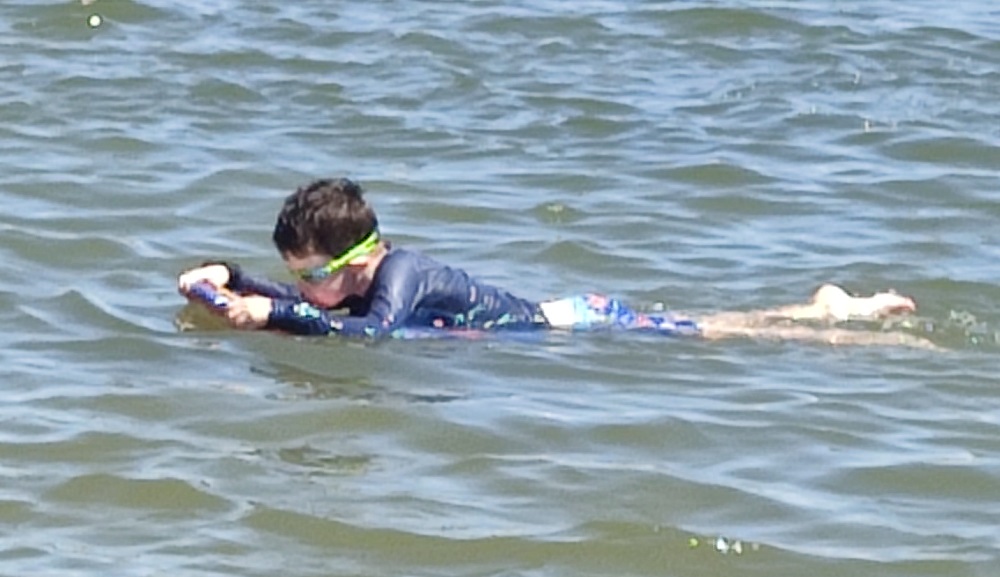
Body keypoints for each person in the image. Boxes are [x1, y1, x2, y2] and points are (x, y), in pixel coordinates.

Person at [177, 178, 924, 346]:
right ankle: (821, 307)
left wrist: (273, 314)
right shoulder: (351, 284)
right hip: (561, 319)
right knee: (709, 325)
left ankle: (835, 325)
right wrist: (229, 278)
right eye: (295, 275)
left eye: (312, 275)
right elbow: (325, 312)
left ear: (362, 255)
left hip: (580, 325)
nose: (304, 288)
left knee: (714, 334)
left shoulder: (401, 275)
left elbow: (374, 334)